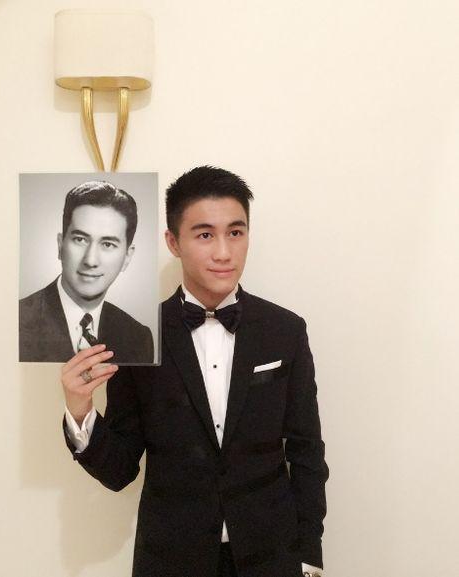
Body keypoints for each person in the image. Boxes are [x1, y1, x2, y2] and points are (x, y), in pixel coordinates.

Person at [62, 167, 328, 577]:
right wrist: (80, 410)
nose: (223, 252)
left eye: (235, 232)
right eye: (205, 235)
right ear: (173, 242)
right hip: (171, 560)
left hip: (272, 557)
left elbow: (306, 450)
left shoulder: (285, 330)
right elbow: (119, 471)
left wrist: (309, 555)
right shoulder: (138, 336)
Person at [19, 180, 154, 364]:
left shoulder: (138, 337)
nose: (90, 260)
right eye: (80, 239)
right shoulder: (16, 321)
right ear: (60, 245)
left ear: (127, 257)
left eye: (108, 244)